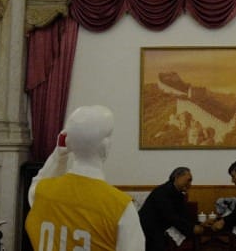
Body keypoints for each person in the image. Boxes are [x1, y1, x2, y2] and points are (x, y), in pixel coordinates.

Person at [26, 105, 145, 251]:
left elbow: (39, 180)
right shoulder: (120, 208)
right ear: (105, 146)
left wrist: (60, 154)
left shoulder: (41, 192)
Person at [139, 167, 201, 251]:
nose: (190, 184)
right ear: (177, 177)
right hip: (148, 231)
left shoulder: (177, 193)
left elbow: (183, 215)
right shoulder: (162, 192)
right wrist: (192, 228)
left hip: (161, 229)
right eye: (188, 180)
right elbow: (171, 217)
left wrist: (199, 224)